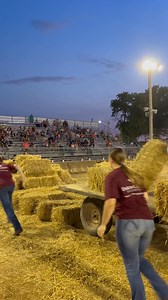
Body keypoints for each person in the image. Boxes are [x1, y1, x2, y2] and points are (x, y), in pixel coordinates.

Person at [97, 147, 168, 300]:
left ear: (111, 160)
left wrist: (103, 224)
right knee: (139, 259)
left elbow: (110, 203)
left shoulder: (112, 177)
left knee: (131, 265)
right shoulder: (135, 175)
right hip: (147, 222)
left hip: (129, 224)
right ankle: (164, 293)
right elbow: (144, 197)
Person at [0, 156, 25, 236]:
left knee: (8, 208)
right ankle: (9, 220)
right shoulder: (6, 165)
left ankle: (17, 227)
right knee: (9, 203)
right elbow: (16, 166)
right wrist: (23, 176)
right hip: (11, 186)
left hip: (2, 187)